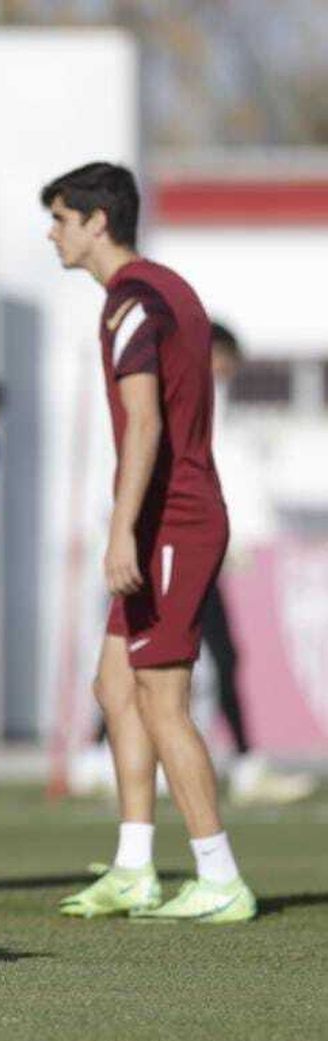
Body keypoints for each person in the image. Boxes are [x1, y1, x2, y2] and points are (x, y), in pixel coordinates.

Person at [45, 162, 256, 923]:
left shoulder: (131, 300)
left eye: (61, 219)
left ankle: (219, 876)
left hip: (173, 519)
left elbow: (145, 423)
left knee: (164, 701)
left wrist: (121, 530)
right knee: (114, 688)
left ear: (97, 222)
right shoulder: (167, 287)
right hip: (173, 515)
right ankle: (135, 867)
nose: (52, 234)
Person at [207, 323, 317, 806]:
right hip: (184, 549)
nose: (230, 371)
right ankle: (244, 765)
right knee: (187, 660)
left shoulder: (212, 402)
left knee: (210, 657)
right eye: (227, 359)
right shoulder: (194, 398)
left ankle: (244, 761)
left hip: (197, 547)